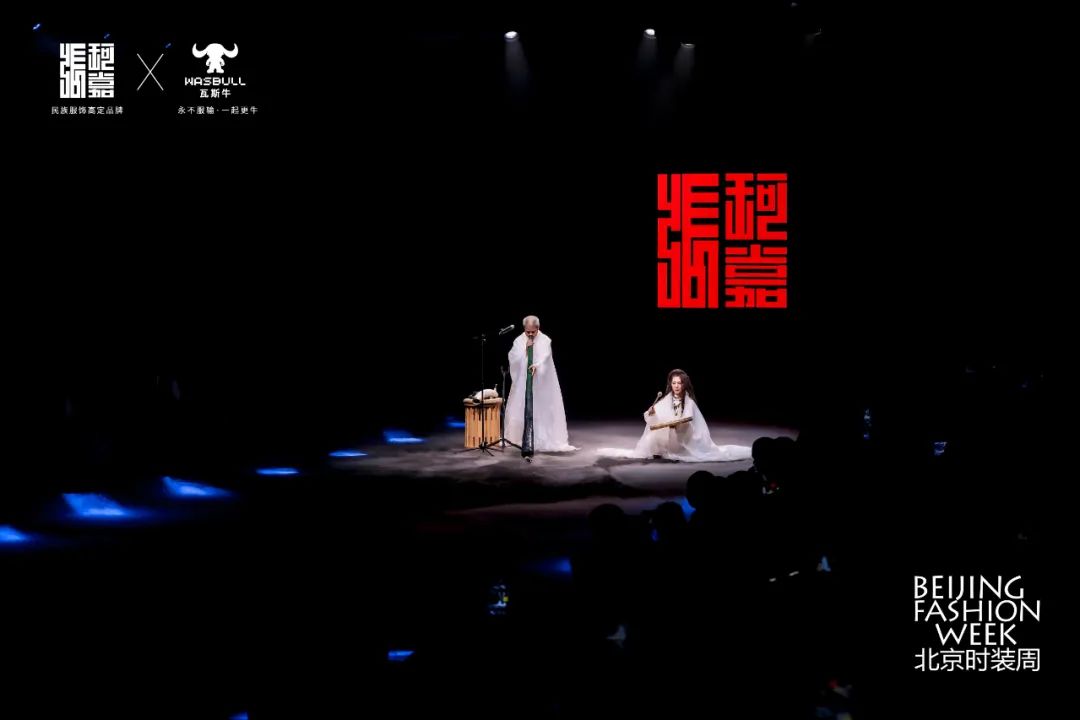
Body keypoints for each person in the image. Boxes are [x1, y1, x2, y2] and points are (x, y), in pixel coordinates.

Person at [599, 369, 751, 462]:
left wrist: (678, 424)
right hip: (670, 434)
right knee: (653, 434)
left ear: (684, 384)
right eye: (674, 383)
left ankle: (677, 449)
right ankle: (661, 450)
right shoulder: (667, 399)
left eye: (679, 383)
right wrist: (651, 412)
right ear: (670, 384)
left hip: (684, 435)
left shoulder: (689, 401)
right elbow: (654, 416)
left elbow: (689, 419)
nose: (676, 386)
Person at [504, 316, 576, 456]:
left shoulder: (545, 340)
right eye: (528, 332)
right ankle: (523, 437)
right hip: (523, 382)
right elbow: (513, 357)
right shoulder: (519, 340)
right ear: (524, 329)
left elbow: (545, 356)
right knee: (521, 407)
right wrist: (525, 350)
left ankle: (542, 437)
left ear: (538, 328)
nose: (530, 334)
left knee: (542, 408)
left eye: (533, 332)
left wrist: (537, 365)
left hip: (541, 383)